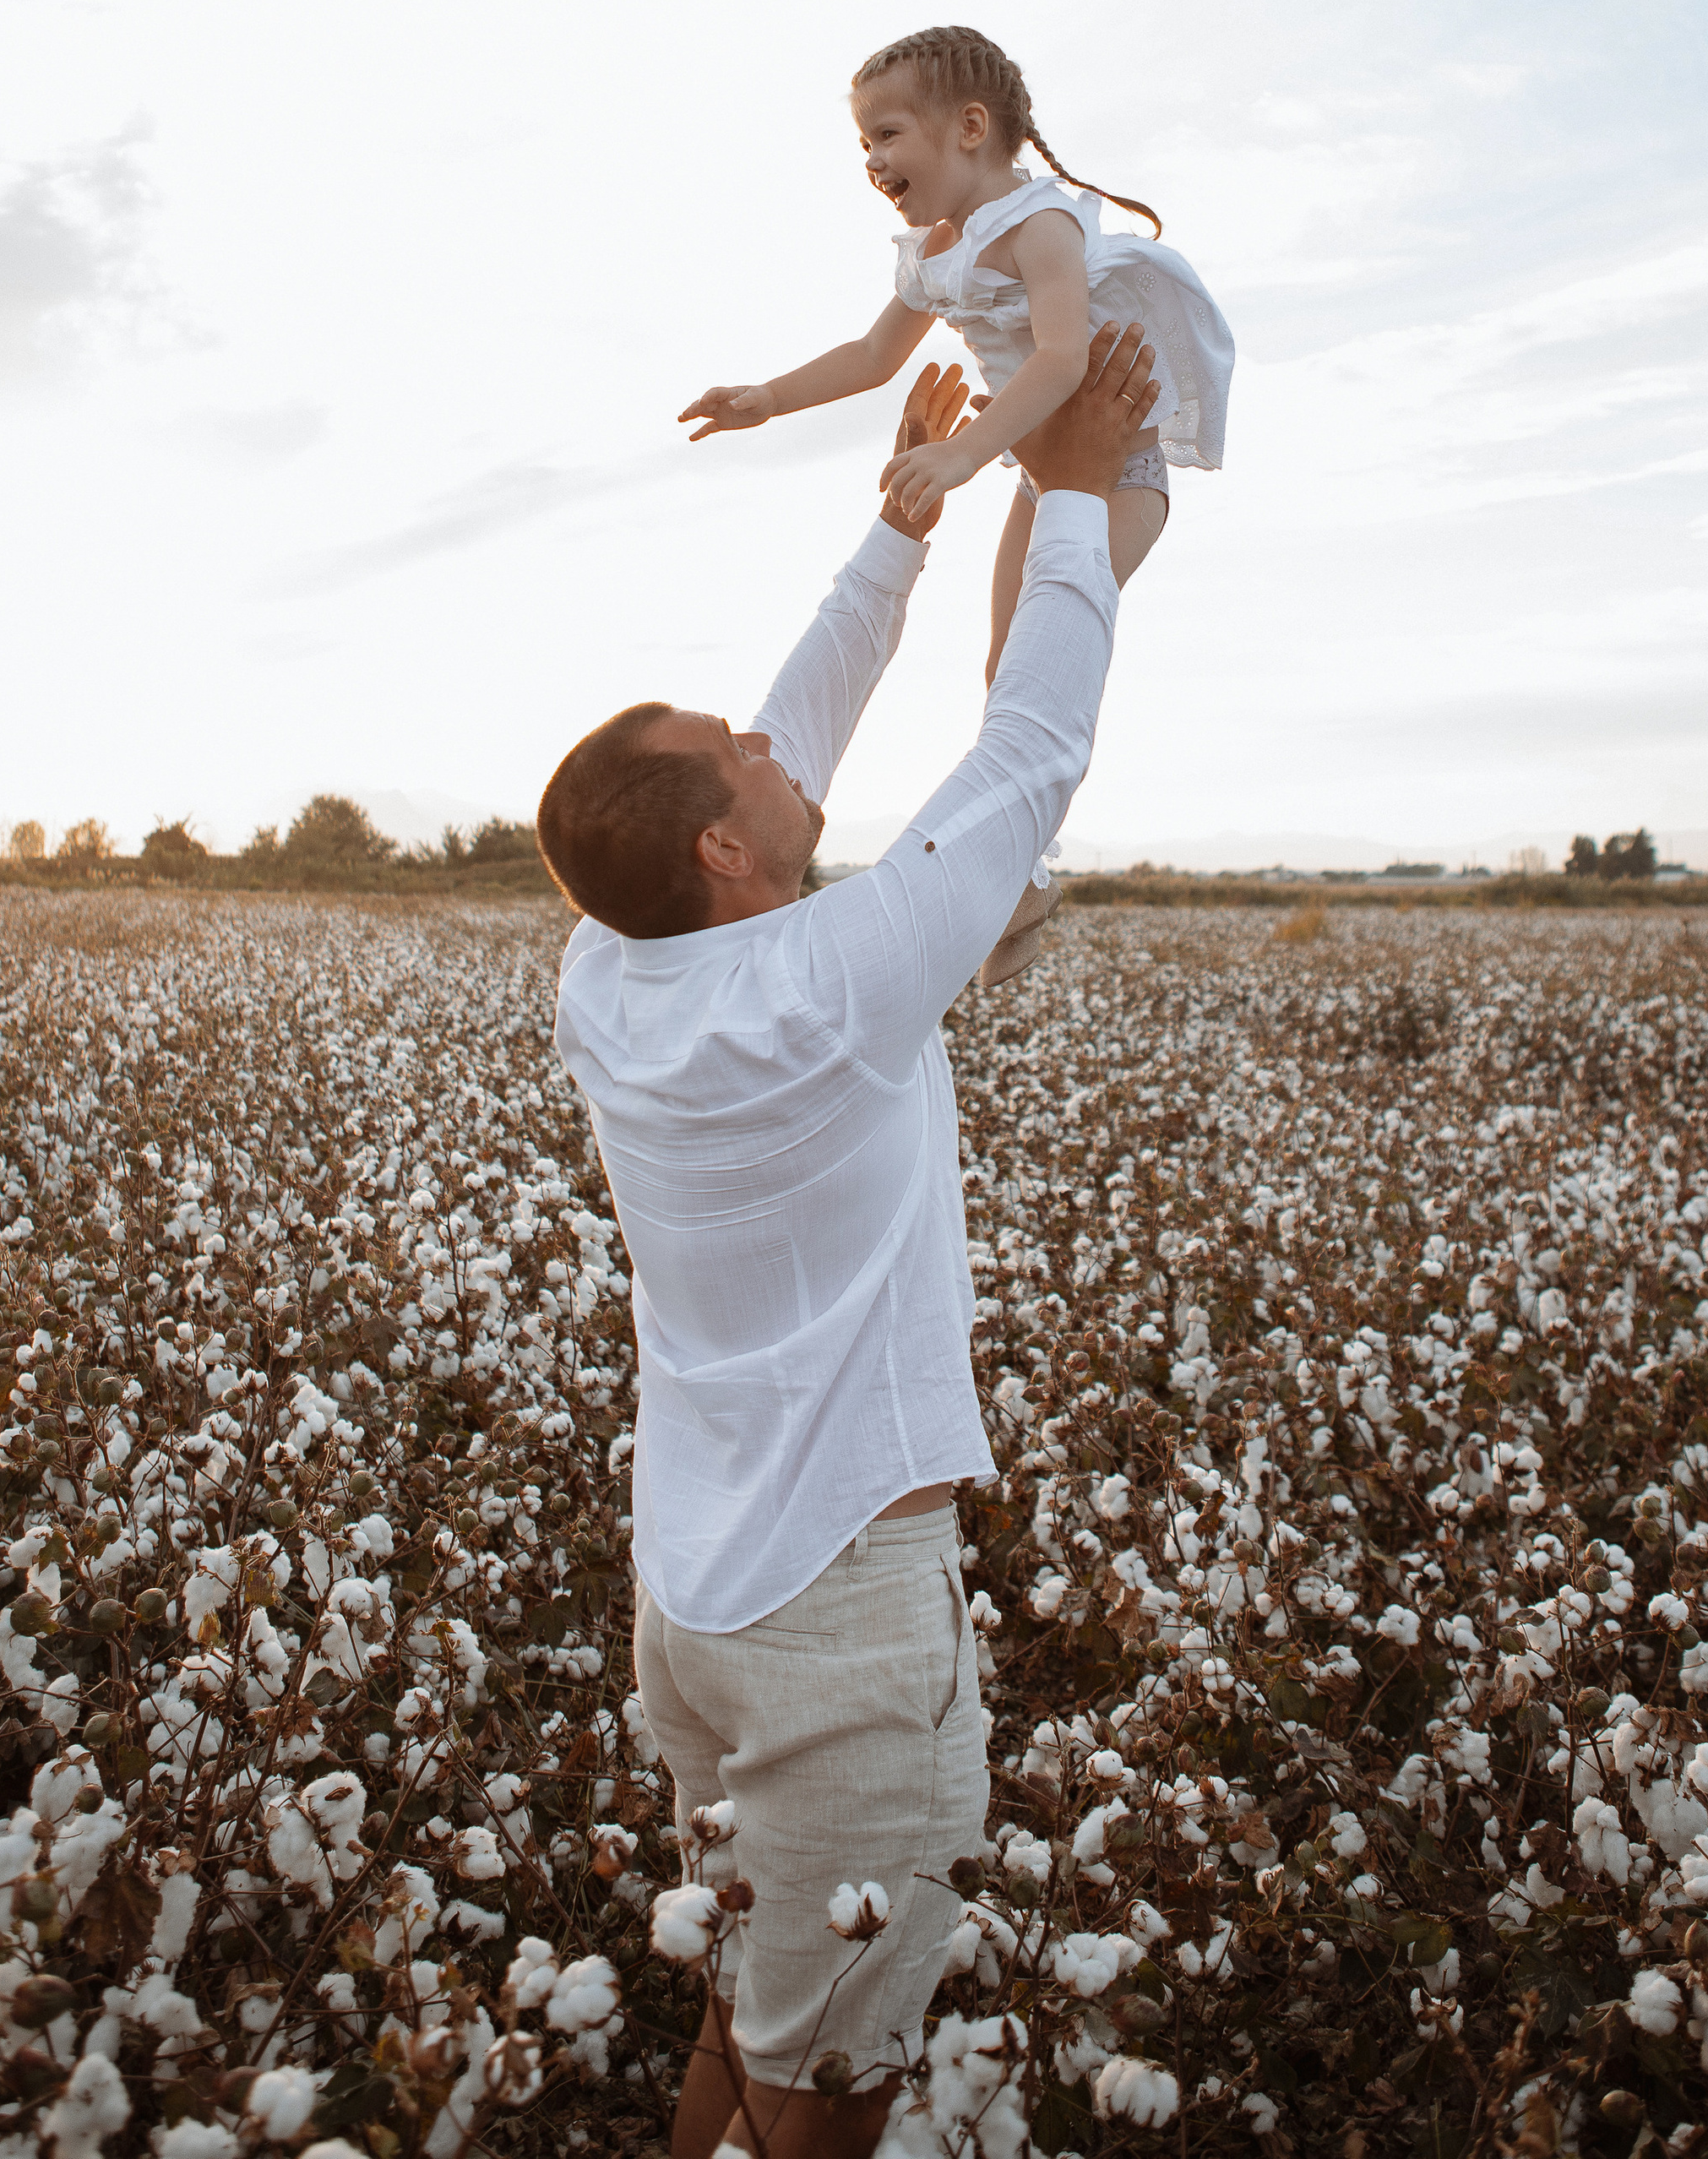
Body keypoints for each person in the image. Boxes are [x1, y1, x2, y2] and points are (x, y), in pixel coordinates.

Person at [537, 324, 1162, 2159]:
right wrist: (1054, 489)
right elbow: (1033, 739)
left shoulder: (612, 966)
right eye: (732, 757)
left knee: (745, 2016)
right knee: (832, 2090)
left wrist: (902, 516)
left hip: (698, 1600)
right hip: (842, 1626)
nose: (763, 737)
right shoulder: (833, 983)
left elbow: (783, 734)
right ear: (728, 853)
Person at [677, 24, 1233, 982]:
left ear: (969, 126)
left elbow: (1062, 358)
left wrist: (969, 452)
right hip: (1042, 473)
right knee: (1001, 667)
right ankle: (1023, 877)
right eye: (862, 145)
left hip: (1115, 476)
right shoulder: (936, 250)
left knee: (1037, 658)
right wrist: (766, 398)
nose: (871, 161)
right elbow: (871, 356)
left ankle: (1015, 873)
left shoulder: (1040, 227)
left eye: (886, 136)